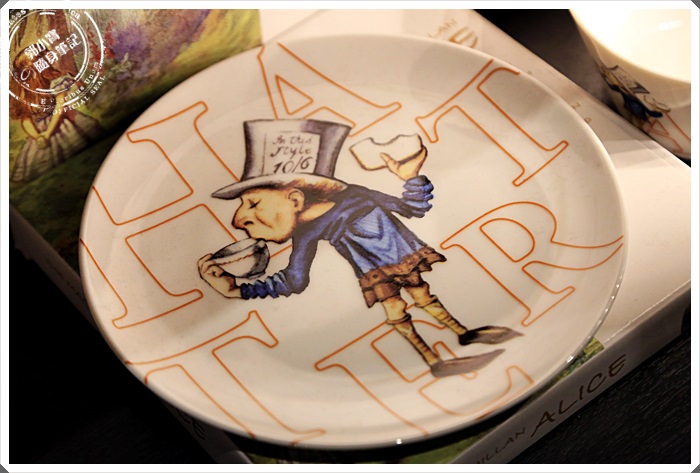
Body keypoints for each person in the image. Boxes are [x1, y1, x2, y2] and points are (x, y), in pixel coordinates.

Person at [198, 119, 520, 377]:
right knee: (397, 310)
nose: (238, 220)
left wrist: (411, 176)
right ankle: (433, 360)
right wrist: (237, 290)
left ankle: (463, 334)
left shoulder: (356, 194)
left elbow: (413, 208)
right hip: (375, 272)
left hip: (406, 257)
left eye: (253, 203)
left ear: (295, 198)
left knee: (422, 295)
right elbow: (294, 280)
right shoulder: (307, 233)